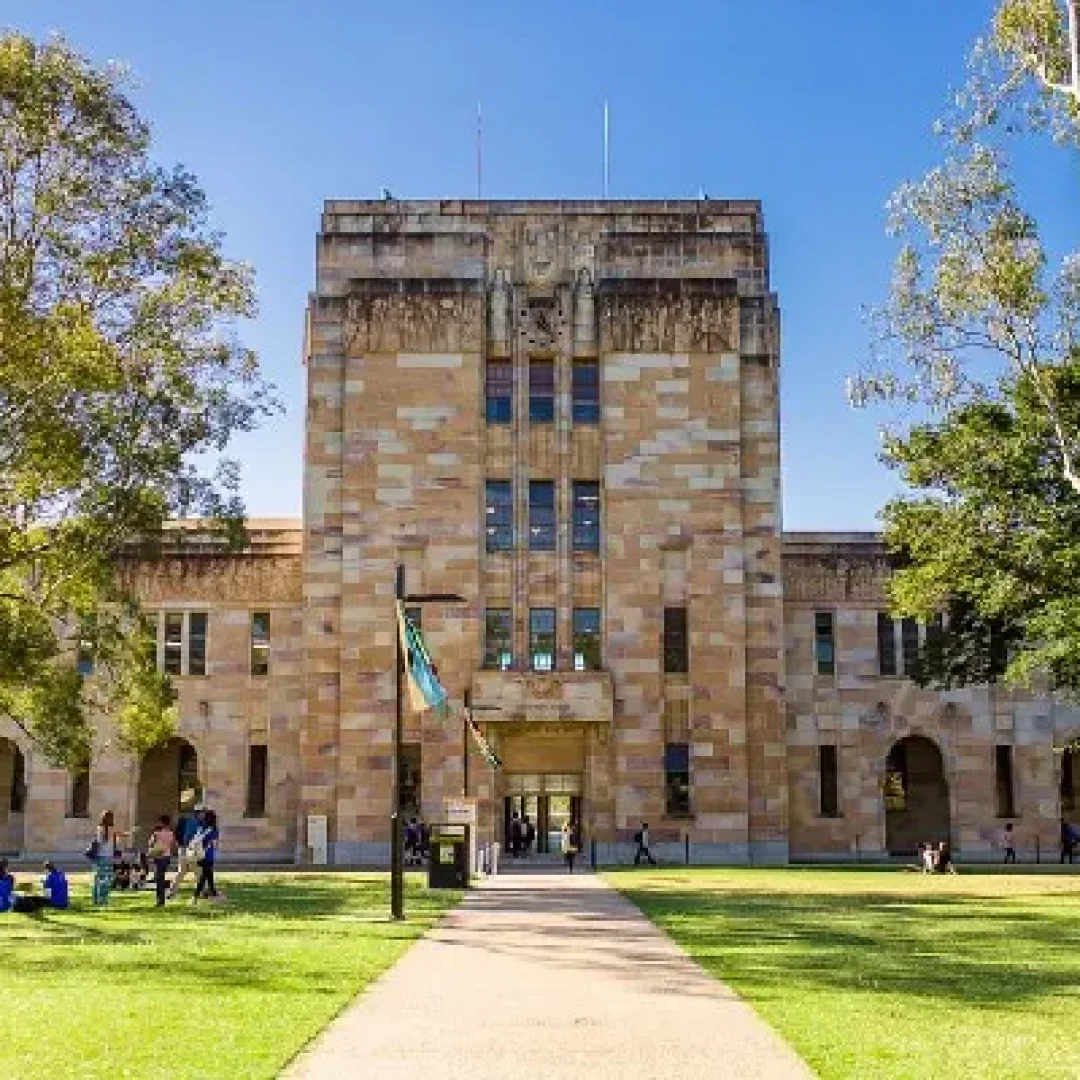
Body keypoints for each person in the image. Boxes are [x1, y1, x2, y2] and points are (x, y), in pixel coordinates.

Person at [169, 805, 202, 899]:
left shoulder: (191, 821)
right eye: (202, 812)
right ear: (198, 813)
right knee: (199, 871)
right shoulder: (194, 822)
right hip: (190, 849)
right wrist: (189, 847)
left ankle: (172, 892)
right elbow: (187, 836)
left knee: (182, 871)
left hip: (184, 849)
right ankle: (203, 892)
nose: (203, 814)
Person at [192, 808, 222, 905]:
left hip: (200, 855)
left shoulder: (201, 827)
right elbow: (215, 843)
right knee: (204, 876)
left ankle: (214, 893)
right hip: (208, 855)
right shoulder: (214, 829)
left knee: (209, 876)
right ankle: (195, 897)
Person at [147, 814, 176, 907]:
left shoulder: (157, 833)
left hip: (159, 856)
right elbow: (172, 845)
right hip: (167, 857)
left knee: (159, 879)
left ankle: (160, 900)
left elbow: (150, 843)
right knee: (161, 877)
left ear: (161, 822)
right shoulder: (171, 833)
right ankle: (161, 899)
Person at [91, 810, 117, 906]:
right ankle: (103, 900)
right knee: (106, 879)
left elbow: (98, 842)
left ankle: (97, 900)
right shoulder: (111, 829)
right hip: (108, 857)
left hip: (100, 857)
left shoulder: (100, 829)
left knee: (98, 879)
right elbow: (113, 843)